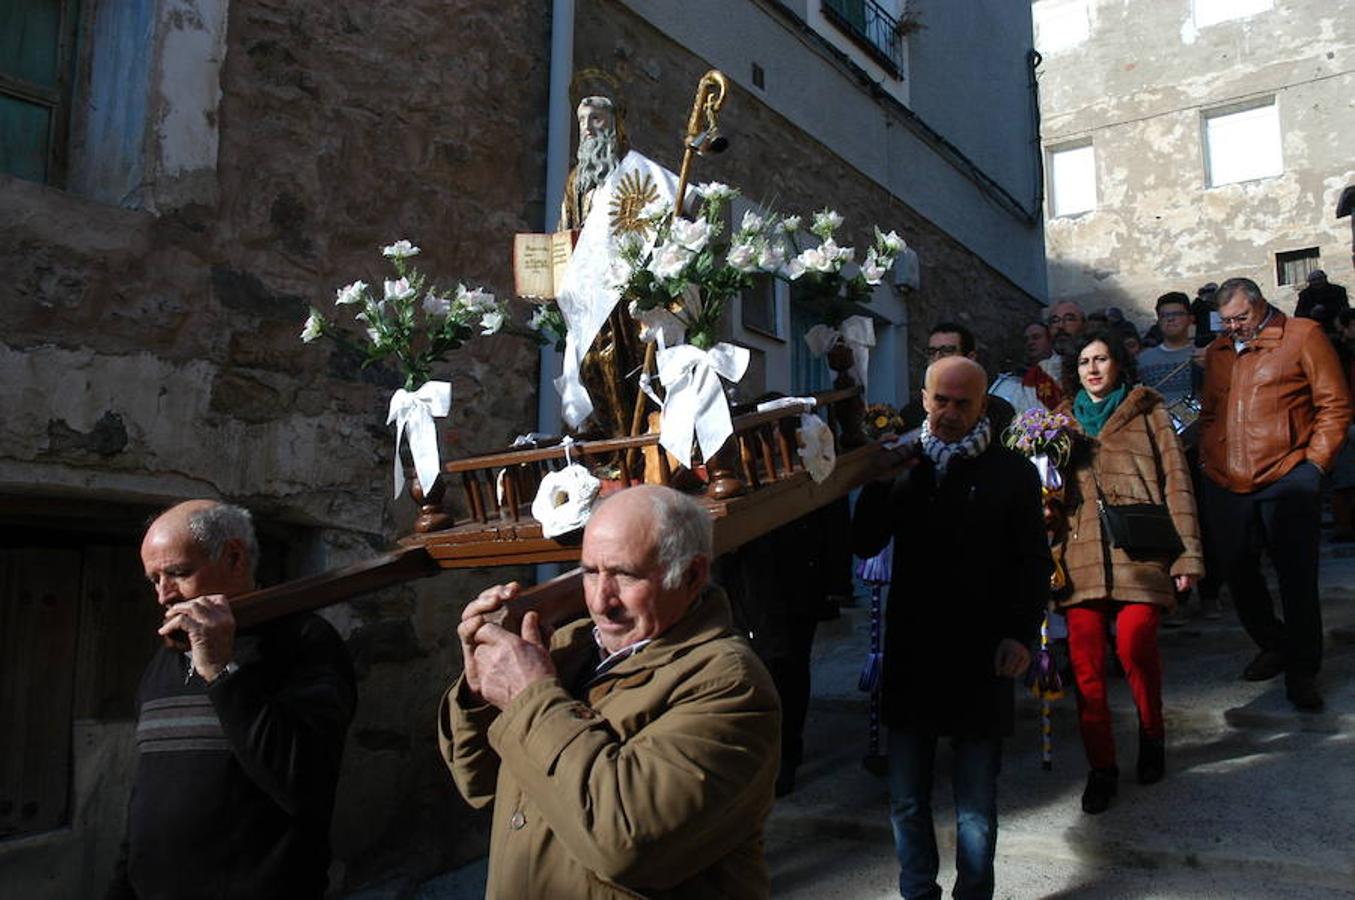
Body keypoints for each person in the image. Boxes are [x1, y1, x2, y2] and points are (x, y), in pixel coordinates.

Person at [440, 485, 781, 898]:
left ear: (692, 575)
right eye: (589, 572)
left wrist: (529, 694)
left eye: (625, 574)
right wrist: (480, 691)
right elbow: (482, 783)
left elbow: (624, 843)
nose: (601, 601)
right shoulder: (570, 647)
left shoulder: (731, 686)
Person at [853, 356, 1051, 900]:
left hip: (982, 654)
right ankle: (918, 892)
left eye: (963, 403)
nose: (950, 413)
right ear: (923, 399)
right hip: (915, 652)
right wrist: (877, 486)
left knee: (975, 807)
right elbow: (865, 542)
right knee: (907, 799)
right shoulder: (904, 464)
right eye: (941, 400)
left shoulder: (1010, 473)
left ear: (983, 406)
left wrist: (1019, 632)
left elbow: (1034, 562)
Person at [109, 500, 357, 899]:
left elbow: (302, 780)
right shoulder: (166, 656)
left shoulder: (303, 642)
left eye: (177, 573)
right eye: (153, 579)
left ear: (235, 557)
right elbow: (149, 792)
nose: (162, 595)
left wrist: (221, 670)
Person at [1054, 331, 1204, 814]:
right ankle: (1102, 768)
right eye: (1083, 361)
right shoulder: (1057, 422)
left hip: (1142, 550)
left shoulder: (1149, 412)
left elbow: (1177, 484)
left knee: (1135, 646)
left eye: (1101, 358)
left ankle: (1152, 735)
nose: (1092, 369)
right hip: (1078, 556)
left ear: (1119, 364)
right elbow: (1043, 492)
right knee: (1086, 668)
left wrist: (1188, 558)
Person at [1199, 277, 1352, 711]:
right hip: (1227, 480)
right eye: (1226, 321)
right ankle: (1274, 642)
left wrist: (1314, 466)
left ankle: (1303, 669)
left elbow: (1335, 404)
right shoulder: (1218, 352)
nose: (1234, 328)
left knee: (1296, 577)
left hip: (1288, 476)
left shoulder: (1303, 335)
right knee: (1236, 570)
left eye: (1241, 319)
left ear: (1261, 306)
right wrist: (1208, 459)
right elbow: (1210, 411)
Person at [713, 496, 853, 796]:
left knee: (789, 664)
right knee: (757, 664)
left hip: (797, 563)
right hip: (750, 568)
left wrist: (835, 583)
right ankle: (764, 755)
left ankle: (785, 753)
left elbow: (829, 498)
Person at [903, 321, 1015, 433]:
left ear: (970, 358)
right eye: (932, 352)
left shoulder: (1000, 413)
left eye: (947, 351)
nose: (937, 358)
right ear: (925, 401)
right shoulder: (910, 415)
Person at [561, 95, 628, 231]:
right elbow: (565, 225)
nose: (587, 127)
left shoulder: (628, 168)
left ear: (612, 124)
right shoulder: (575, 179)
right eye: (582, 120)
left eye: (595, 118)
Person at [1135, 292, 1198, 406]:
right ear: (1158, 321)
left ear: (1190, 319)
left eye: (1177, 314)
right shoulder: (1143, 360)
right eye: (1164, 315)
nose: (1170, 319)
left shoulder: (1204, 356)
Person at [1294, 269, 1349, 333]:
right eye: (1313, 280)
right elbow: (1298, 314)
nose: (1317, 282)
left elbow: (1344, 308)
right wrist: (1311, 313)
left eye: (1319, 279)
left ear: (1325, 279)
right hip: (1314, 328)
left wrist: (1325, 308)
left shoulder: (1338, 291)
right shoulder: (1304, 295)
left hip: (1335, 326)